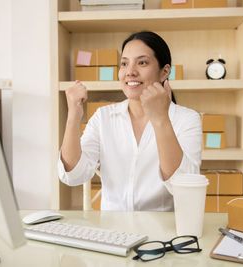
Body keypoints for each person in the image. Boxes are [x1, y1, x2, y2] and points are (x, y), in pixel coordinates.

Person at [58, 31, 202, 211]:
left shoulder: (187, 119)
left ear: (164, 72)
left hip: (163, 234)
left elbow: (182, 185)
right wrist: (73, 116)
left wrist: (160, 118)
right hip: (113, 232)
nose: (130, 72)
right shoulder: (103, 118)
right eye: (124, 64)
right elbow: (73, 176)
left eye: (142, 63)